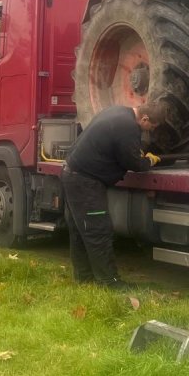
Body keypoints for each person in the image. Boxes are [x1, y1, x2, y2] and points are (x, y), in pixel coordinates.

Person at [61, 102, 165, 289]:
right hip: (86, 182)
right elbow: (134, 163)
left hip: (74, 175)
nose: (150, 131)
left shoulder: (119, 111)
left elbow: (118, 147)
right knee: (97, 230)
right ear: (145, 119)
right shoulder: (128, 127)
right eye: (152, 127)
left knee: (80, 230)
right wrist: (148, 160)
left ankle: (84, 278)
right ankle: (109, 282)